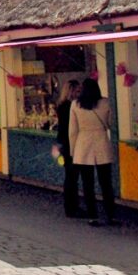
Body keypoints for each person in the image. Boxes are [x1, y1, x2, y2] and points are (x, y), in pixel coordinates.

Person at [69, 78, 116, 226]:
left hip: (83, 145)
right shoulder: (106, 103)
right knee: (106, 183)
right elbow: (110, 124)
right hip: (101, 143)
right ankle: (110, 215)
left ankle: (92, 216)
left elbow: (73, 130)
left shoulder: (75, 105)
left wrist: (73, 151)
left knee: (87, 184)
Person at [55, 80, 83, 218]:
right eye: (77, 91)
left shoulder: (61, 106)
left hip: (63, 143)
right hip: (70, 143)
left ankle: (70, 206)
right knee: (72, 177)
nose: (80, 93)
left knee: (70, 176)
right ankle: (72, 207)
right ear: (71, 91)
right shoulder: (71, 107)